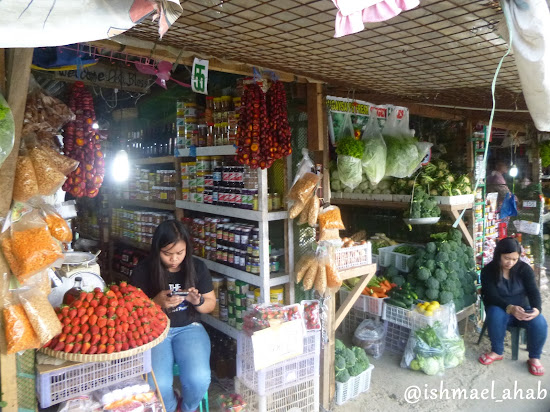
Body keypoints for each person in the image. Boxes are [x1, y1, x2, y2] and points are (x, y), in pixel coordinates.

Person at [131, 220, 215, 412]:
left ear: (187, 248)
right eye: (167, 254)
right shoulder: (143, 270)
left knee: (199, 379)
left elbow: (211, 304)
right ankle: (170, 406)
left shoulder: (197, 267)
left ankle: (187, 408)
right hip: (155, 332)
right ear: (157, 250)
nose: (174, 259)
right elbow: (132, 313)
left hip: (189, 328)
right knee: (156, 384)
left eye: (180, 253)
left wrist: (198, 301)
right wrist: (155, 303)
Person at [479, 237, 547, 376]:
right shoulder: (488, 271)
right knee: (494, 313)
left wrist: (536, 309)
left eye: (514, 259)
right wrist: (509, 308)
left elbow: (533, 291)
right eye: (506, 258)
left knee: (540, 322)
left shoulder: (524, 269)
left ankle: (534, 357)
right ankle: (497, 351)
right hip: (500, 309)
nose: (510, 262)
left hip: (522, 310)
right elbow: (491, 295)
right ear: (498, 255)